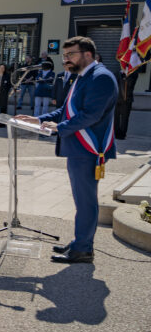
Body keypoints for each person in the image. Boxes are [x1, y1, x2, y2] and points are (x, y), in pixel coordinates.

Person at [18, 37, 118, 263]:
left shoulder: (100, 78)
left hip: (89, 149)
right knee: (81, 201)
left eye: (71, 54)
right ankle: (80, 243)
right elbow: (66, 110)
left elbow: (91, 114)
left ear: (88, 54)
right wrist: (37, 120)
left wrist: (58, 129)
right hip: (79, 149)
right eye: (64, 56)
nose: (66, 60)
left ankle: (83, 249)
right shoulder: (84, 76)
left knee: (85, 201)